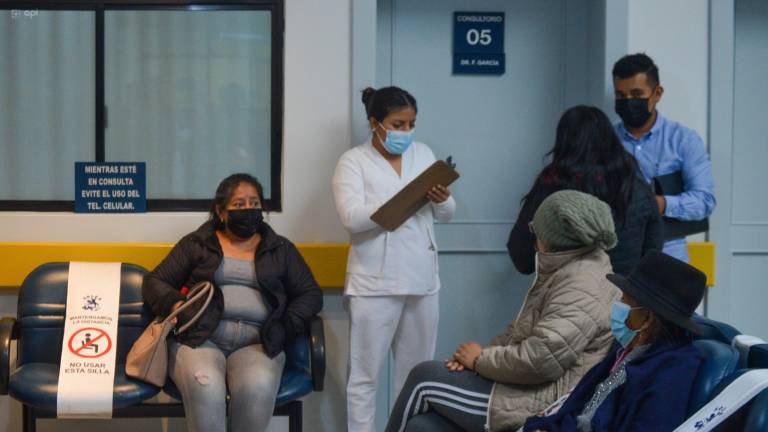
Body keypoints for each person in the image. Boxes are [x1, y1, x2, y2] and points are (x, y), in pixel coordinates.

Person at [385, 190, 619, 432]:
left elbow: (540, 360)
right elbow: (520, 333)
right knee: (421, 427)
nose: (533, 237)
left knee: (424, 377)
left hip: (541, 402)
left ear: (552, 238)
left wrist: (479, 360)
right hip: (527, 388)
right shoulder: (570, 269)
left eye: (535, 230)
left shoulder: (581, 284)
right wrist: (475, 359)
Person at [142, 173, 323, 432]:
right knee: (205, 386)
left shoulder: (280, 249)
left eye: (254, 203)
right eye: (239, 205)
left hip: (259, 344)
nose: (248, 210)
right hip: (200, 340)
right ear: (221, 211)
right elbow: (154, 281)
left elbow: (310, 294)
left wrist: (285, 325)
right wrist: (177, 309)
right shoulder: (198, 244)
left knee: (257, 387)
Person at [332, 86, 456, 432]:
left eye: (411, 124)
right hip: (374, 283)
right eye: (397, 124)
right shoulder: (353, 161)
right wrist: (400, 202)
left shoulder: (424, 154)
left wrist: (441, 198)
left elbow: (447, 214)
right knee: (364, 377)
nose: (405, 131)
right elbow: (351, 217)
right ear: (375, 122)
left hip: (422, 280)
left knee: (416, 376)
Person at [523, 251, 705, 431]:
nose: (618, 306)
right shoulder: (628, 354)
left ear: (647, 319)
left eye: (625, 302)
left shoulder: (673, 371)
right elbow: (583, 413)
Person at [508, 105, 662, 276]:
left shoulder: (551, 186)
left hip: (568, 295)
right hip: (624, 295)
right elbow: (653, 251)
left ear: (564, 143)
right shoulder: (636, 186)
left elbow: (522, 258)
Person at [613, 53, 716, 262]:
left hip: (668, 253)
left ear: (657, 93)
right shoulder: (605, 139)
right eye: (621, 96)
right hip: (615, 252)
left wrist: (658, 203)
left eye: (636, 94)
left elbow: (705, 200)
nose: (628, 102)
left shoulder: (683, 140)